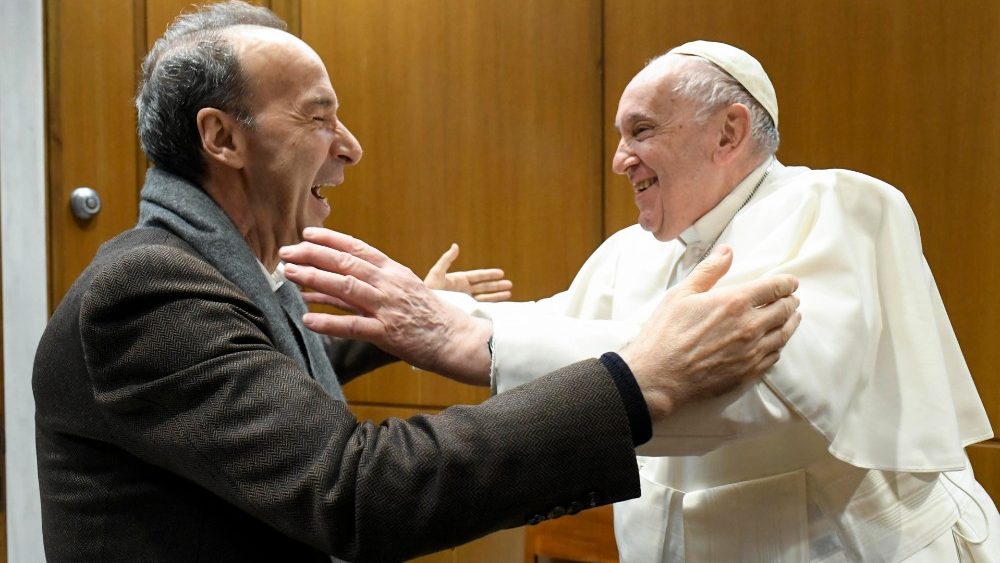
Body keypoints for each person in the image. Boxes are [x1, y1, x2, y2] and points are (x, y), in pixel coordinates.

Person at [31, 3, 802, 561]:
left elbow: (261, 374)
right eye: (319, 118)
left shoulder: (208, 268)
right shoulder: (148, 292)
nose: (351, 146)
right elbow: (355, 491)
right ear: (222, 138)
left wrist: (404, 322)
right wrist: (636, 383)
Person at [285, 42, 999, 561]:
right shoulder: (641, 246)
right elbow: (559, 323)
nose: (622, 157)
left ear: (729, 131)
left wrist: (475, 341)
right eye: (620, 136)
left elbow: (781, 388)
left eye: (643, 131)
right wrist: (431, 312)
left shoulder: (832, 205)